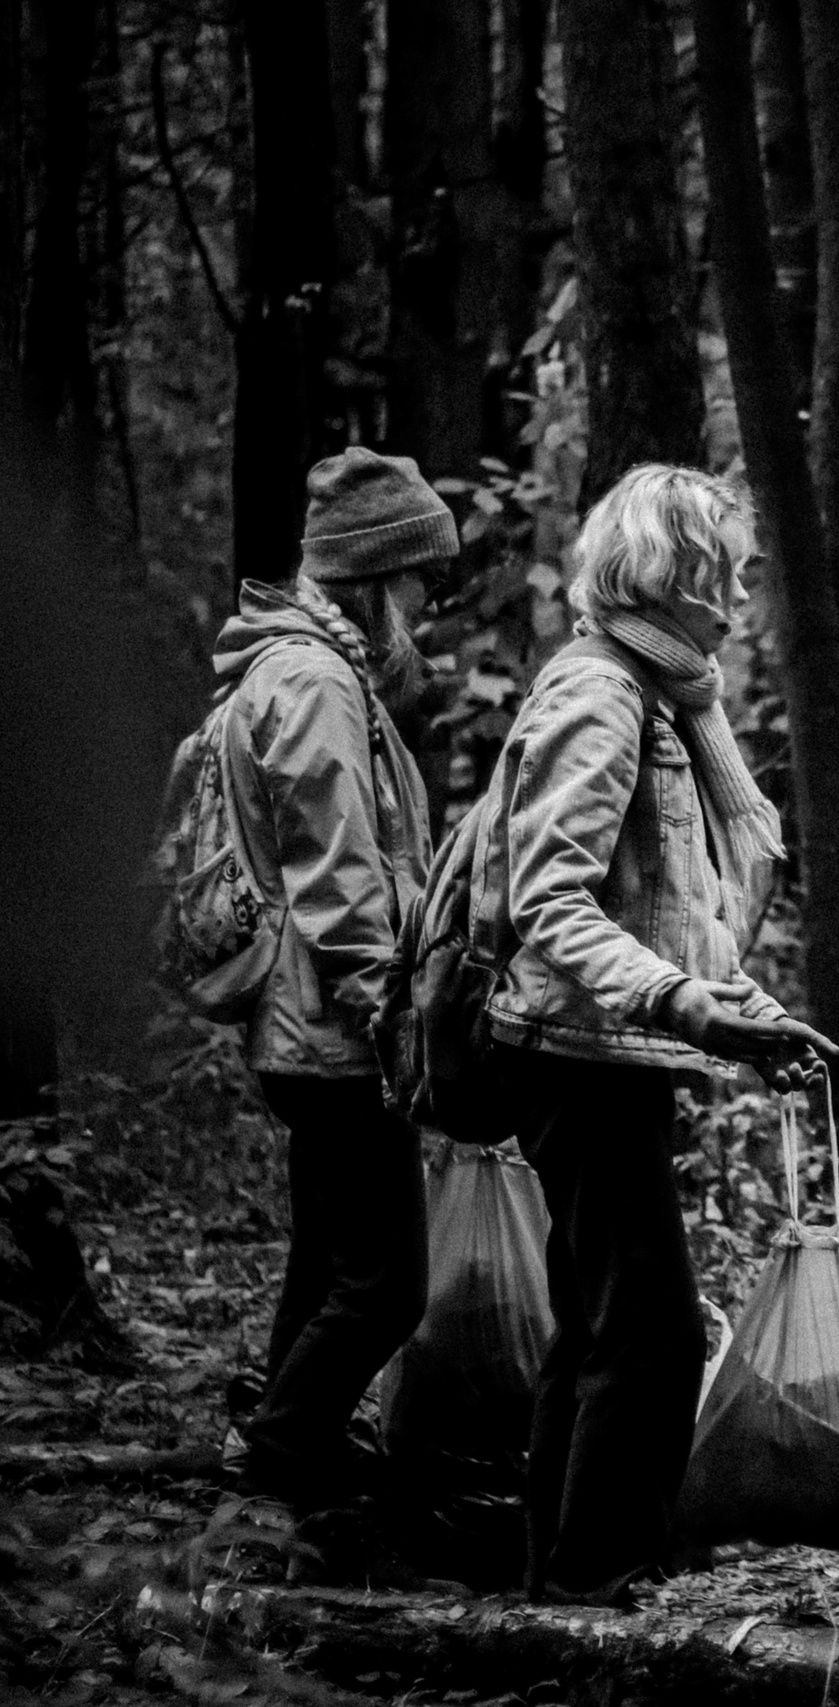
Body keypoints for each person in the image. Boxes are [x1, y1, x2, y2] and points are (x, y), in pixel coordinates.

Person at [481, 464, 836, 1605]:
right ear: (672, 571)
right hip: (573, 1054)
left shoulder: (666, 692)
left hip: (608, 1048)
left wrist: (747, 1017)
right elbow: (550, 900)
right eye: (722, 568)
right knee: (652, 1333)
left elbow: (675, 908)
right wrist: (679, 1002)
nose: (738, 594)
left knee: (597, 1329)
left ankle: (563, 1577)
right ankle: (597, 1586)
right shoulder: (600, 694)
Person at [217, 449, 448, 1552]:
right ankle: (276, 1464)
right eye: (422, 584)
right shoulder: (313, 682)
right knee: (390, 1282)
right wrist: (385, 1012)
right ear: (373, 579)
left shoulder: (310, 670)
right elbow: (337, 866)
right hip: (332, 1027)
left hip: (313, 1019)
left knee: (329, 1261)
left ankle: (285, 1451)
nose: (430, 609)